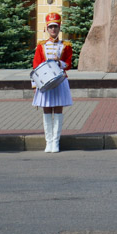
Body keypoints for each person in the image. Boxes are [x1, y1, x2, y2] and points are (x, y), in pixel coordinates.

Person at [31, 12, 73, 153]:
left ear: (59, 28)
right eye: (51, 27)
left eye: (55, 27)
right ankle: (48, 141)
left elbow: (69, 64)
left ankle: (56, 141)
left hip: (60, 81)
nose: (53, 30)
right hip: (44, 82)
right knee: (47, 110)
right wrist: (35, 84)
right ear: (47, 29)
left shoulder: (66, 45)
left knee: (58, 110)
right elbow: (36, 65)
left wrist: (58, 62)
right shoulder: (41, 45)